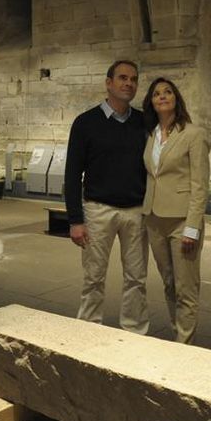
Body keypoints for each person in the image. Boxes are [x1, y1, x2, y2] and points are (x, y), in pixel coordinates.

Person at [64, 60, 149, 334]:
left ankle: (134, 331)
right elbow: (72, 174)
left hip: (135, 211)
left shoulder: (142, 122)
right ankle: (89, 330)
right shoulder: (85, 123)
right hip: (98, 210)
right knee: (93, 277)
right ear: (109, 82)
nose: (129, 83)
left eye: (133, 79)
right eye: (122, 78)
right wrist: (75, 220)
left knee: (136, 278)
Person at [141, 78, 210, 344]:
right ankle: (177, 335)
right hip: (155, 220)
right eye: (157, 94)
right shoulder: (151, 135)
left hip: (183, 222)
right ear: (151, 102)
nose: (162, 96)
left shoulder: (193, 134)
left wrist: (192, 227)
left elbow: (199, 185)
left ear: (176, 98)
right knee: (169, 284)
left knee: (186, 288)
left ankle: (185, 347)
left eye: (168, 92)